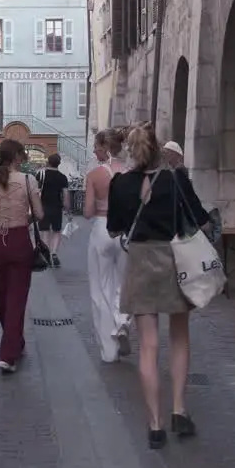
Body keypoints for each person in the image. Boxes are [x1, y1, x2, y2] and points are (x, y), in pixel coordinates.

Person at [107, 123, 210, 449]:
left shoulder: (120, 184)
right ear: (157, 149)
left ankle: (155, 424)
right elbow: (200, 217)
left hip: (140, 263)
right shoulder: (175, 178)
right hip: (175, 260)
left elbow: (113, 229)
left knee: (148, 346)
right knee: (179, 336)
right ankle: (179, 409)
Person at [0, 139, 43, 374]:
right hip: (19, 239)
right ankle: (7, 354)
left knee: (3, 295)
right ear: (16, 156)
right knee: (17, 298)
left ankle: (15, 341)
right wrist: (24, 218)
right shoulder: (28, 180)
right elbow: (39, 213)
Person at [84, 129, 132, 362]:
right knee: (123, 283)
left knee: (101, 288)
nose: (94, 151)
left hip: (102, 228)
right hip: (124, 230)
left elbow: (87, 212)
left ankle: (109, 351)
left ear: (104, 148)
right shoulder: (128, 172)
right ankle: (122, 322)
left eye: (96, 146)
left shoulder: (94, 175)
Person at [36, 154, 69, 268]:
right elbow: (65, 194)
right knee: (56, 231)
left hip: (43, 206)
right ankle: (54, 253)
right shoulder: (62, 177)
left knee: (44, 231)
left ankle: (46, 254)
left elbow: (37, 191)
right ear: (59, 164)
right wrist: (67, 207)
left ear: (48, 162)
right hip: (56, 207)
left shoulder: (41, 174)